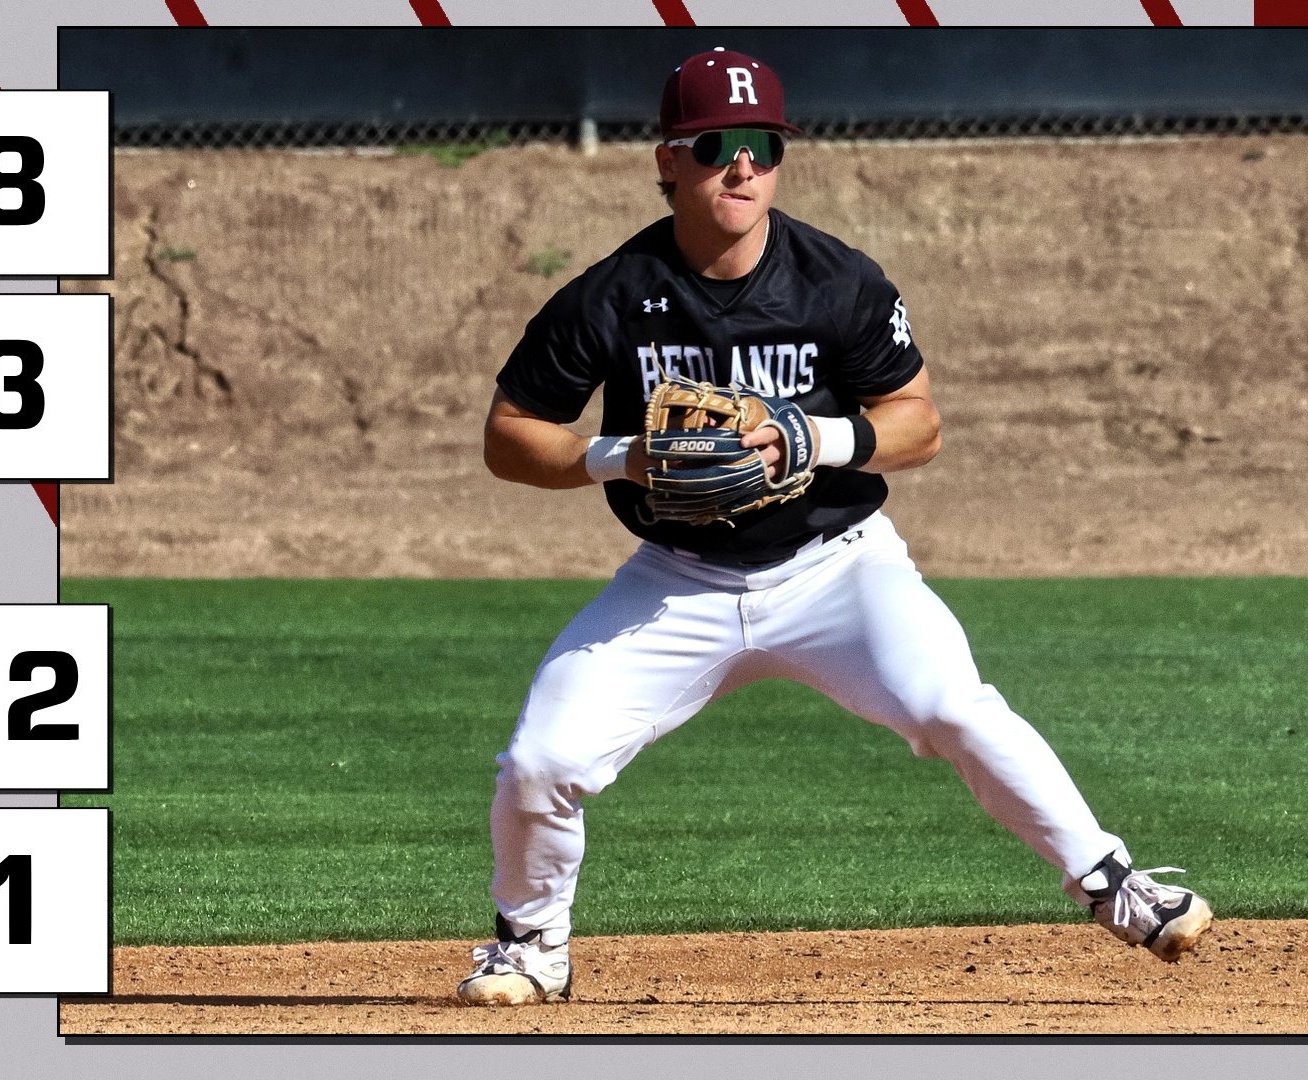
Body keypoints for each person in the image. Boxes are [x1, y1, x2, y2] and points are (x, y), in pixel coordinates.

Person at [455, 47, 1213, 1007]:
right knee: (540, 760)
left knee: (950, 706)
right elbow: (510, 439)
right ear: (667, 160)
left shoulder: (836, 281)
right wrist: (622, 457)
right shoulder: (611, 296)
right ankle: (530, 947)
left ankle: (1116, 884)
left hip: (838, 570)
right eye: (717, 145)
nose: (743, 166)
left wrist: (811, 436)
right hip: (676, 579)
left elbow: (920, 423)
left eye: (763, 146)